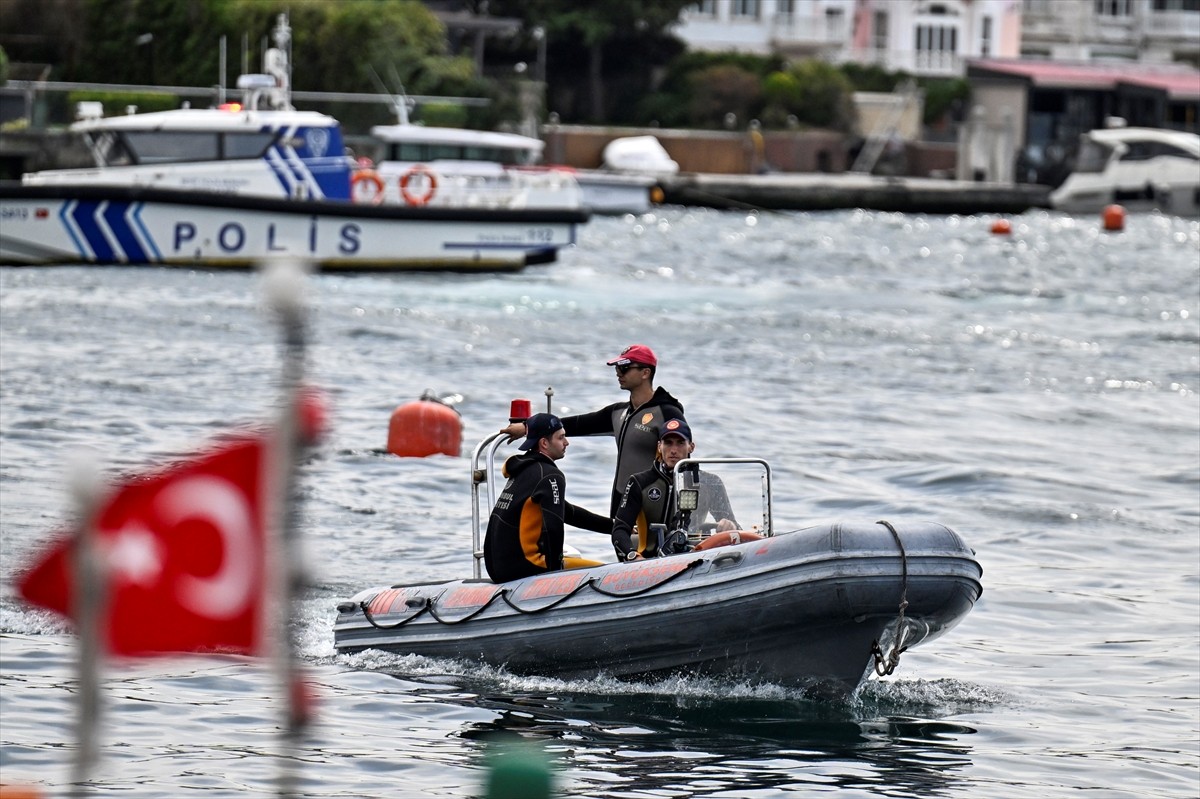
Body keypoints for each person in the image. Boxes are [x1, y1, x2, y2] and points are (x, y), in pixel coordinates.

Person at [501, 344, 685, 516]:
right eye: (617, 368)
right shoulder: (619, 412)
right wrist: (526, 427)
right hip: (621, 503)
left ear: (645, 373)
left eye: (624, 368)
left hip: (655, 503)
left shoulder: (667, 412)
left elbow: (684, 462)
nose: (618, 373)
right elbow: (578, 424)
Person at [483, 413, 610, 583]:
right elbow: (554, 527)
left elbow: (568, 512)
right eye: (561, 437)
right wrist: (555, 575)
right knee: (604, 572)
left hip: (497, 569)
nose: (567, 442)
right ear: (544, 443)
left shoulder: (524, 469)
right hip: (525, 567)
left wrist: (614, 526)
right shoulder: (550, 475)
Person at [611, 419, 737, 561]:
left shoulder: (710, 483)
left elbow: (735, 528)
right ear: (659, 446)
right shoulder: (640, 483)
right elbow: (619, 530)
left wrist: (729, 525)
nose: (673, 450)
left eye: (680, 443)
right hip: (649, 562)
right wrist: (632, 556)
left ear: (691, 447)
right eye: (668, 442)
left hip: (695, 559)